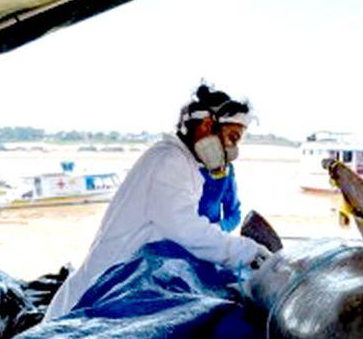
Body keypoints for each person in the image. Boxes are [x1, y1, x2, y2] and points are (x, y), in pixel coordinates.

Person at [43, 82, 270, 321]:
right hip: (88, 302)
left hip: (112, 290)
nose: (232, 150)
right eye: (232, 137)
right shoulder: (169, 161)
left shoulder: (184, 164)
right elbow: (186, 231)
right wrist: (249, 253)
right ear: (206, 125)